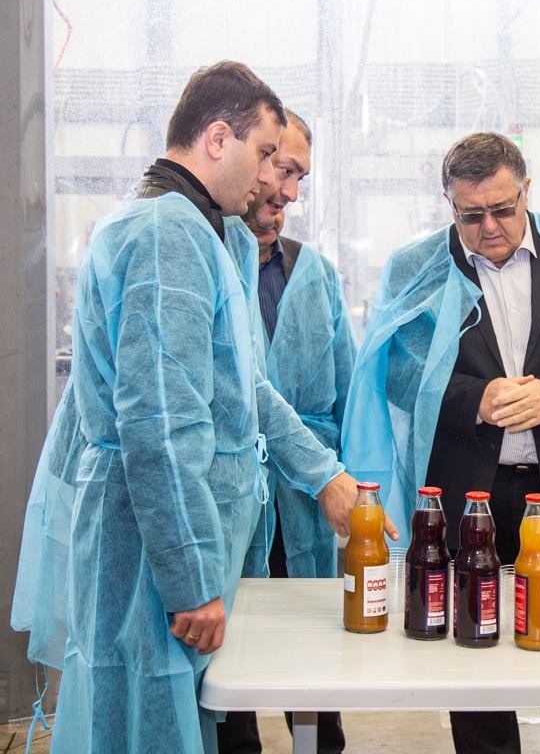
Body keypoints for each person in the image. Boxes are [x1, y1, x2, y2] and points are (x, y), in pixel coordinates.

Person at [17, 61, 370, 754]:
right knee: (146, 724)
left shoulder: (199, 232)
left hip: (169, 545)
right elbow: (159, 425)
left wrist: (324, 474)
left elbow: (244, 387)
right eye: (264, 154)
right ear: (216, 138)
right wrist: (189, 581)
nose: (269, 178)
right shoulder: (165, 236)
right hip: (152, 557)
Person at [342, 132, 540, 754]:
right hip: (469, 498)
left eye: (503, 210)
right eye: (471, 215)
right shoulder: (418, 267)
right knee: (475, 664)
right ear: (448, 205)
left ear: (527, 191)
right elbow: (394, 367)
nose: (489, 228)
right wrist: (471, 399)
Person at [216, 112, 357, 753]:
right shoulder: (208, 260)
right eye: (284, 170)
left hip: (305, 505)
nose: (289, 193)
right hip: (229, 500)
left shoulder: (315, 274)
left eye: (301, 178)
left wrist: (342, 481)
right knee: (229, 671)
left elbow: (346, 393)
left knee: (314, 666)